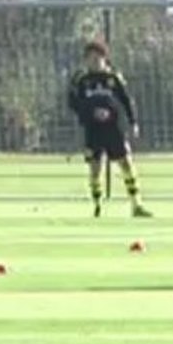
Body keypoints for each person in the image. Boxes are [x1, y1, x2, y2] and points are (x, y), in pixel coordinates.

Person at [67, 40, 152, 218]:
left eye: (98, 58)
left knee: (126, 163)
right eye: (90, 58)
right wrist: (91, 113)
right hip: (93, 130)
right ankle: (97, 205)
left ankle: (136, 205)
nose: (94, 61)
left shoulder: (113, 79)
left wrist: (133, 122)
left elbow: (126, 100)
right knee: (95, 167)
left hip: (113, 128)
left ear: (105, 59)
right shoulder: (82, 81)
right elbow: (73, 103)